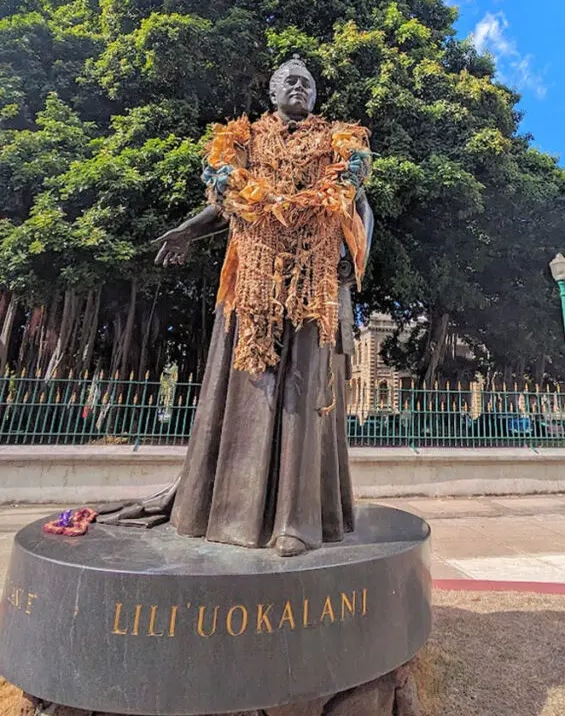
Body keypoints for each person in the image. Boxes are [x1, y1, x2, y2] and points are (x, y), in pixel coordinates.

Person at [99, 56, 373, 556]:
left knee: (302, 393)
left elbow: (356, 204)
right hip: (252, 279)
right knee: (249, 389)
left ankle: (297, 522)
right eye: (290, 81)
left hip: (312, 282)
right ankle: (224, 511)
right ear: (271, 93)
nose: (300, 87)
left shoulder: (340, 142)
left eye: (308, 83)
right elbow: (231, 202)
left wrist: (350, 262)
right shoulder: (242, 142)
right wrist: (189, 229)